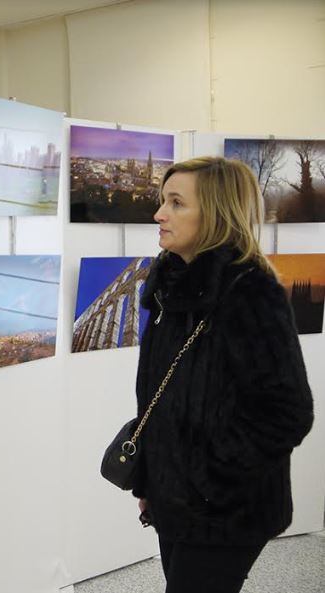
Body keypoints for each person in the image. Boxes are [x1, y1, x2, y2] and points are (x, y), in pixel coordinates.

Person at [131, 156, 314, 593]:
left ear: (214, 214)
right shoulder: (169, 290)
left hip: (226, 506)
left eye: (176, 203)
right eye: (162, 201)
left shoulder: (249, 292)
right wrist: (153, 477)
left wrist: (207, 480)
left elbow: (287, 412)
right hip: (174, 497)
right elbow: (160, 395)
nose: (159, 214)